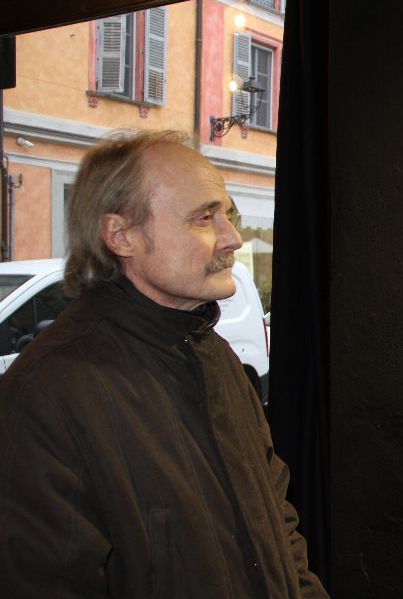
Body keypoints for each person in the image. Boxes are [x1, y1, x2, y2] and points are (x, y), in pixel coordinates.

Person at [0, 130, 330, 599]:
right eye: (204, 218)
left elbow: (278, 522)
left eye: (228, 215)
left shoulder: (215, 355)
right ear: (122, 236)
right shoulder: (48, 393)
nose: (233, 239)